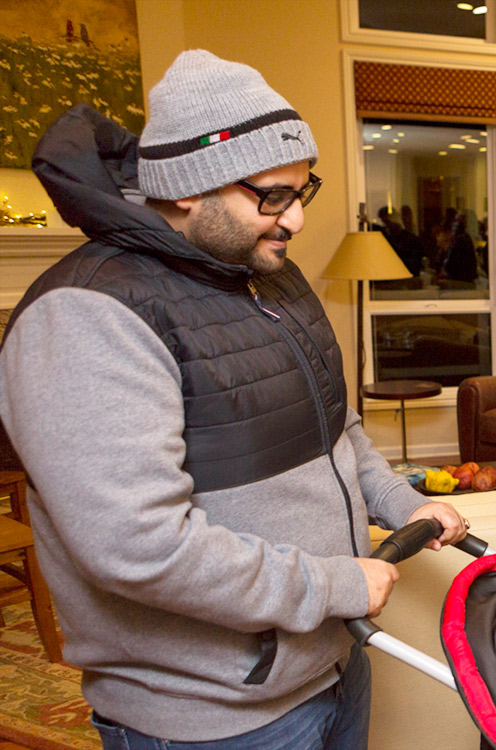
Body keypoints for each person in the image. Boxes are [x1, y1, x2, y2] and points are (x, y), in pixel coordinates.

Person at [0, 50, 467, 749]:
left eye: (300, 191)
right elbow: (138, 547)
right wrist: (333, 587)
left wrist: (405, 504)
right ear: (189, 187)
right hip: (215, 717)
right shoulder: (84, 314)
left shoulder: (267, 275)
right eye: (271, 195)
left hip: (329, 665)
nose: (295, 220)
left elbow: (336, 433)